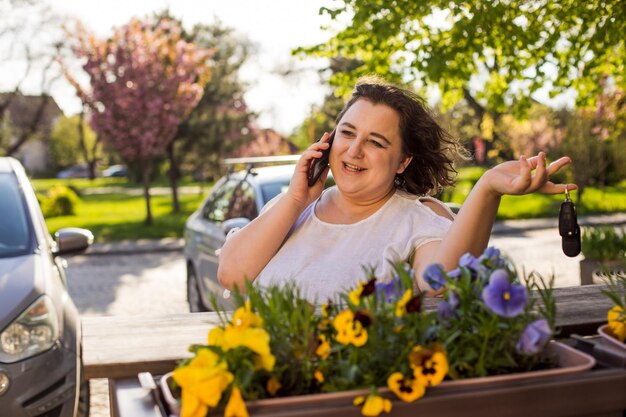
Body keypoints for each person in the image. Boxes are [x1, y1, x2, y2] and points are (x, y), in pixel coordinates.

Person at [218, 76, 575, 302]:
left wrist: (487, 189)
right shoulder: (295, 208)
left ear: (403, 161)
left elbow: (443, 278)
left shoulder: (416, 218)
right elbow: (231, 275)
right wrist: (297, 199)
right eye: (347, 133)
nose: (354, 150)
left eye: (375, 142)